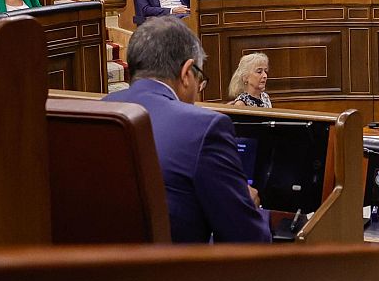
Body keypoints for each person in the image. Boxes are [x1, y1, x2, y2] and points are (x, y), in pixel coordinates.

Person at [104, 21, 269, 244]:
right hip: (175, 264)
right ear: (186, 73)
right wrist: (251, 204)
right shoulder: (205, 127)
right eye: (199, 77)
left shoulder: (101, 109)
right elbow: (248, 239)